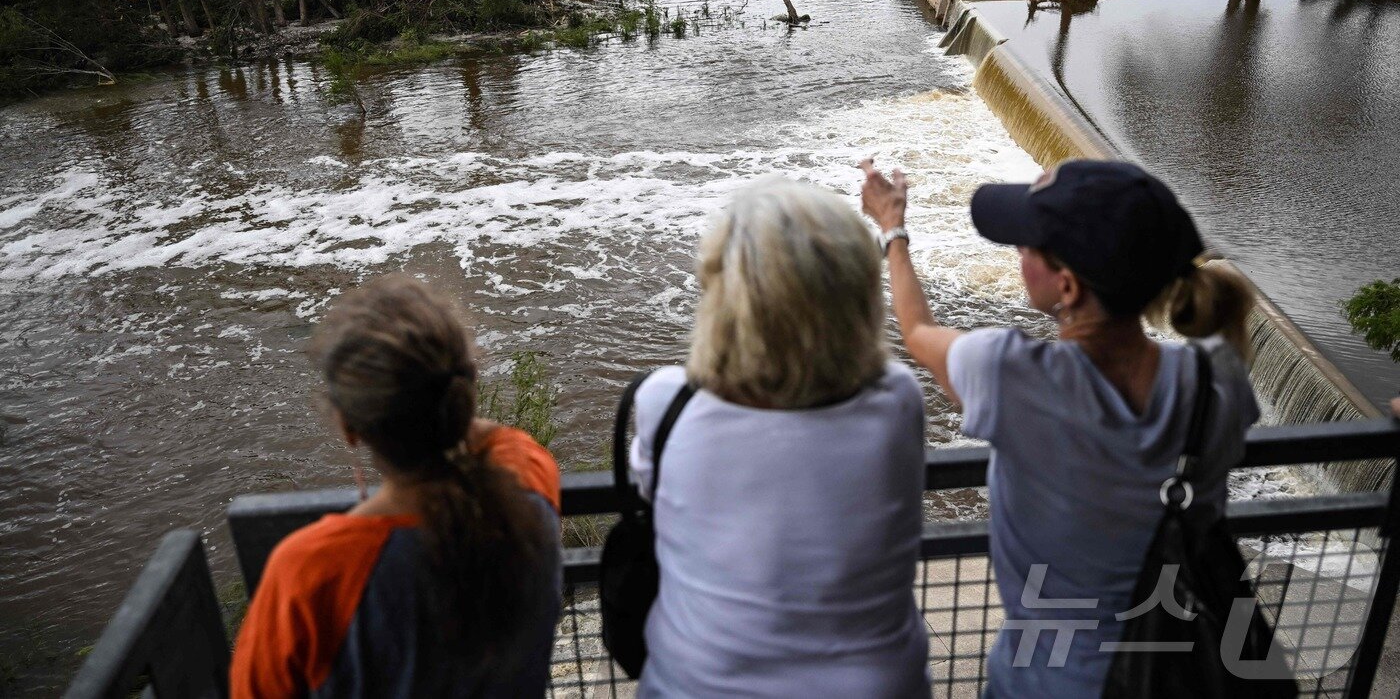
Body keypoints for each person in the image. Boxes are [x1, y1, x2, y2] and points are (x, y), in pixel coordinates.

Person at [860, 158, 1259, 698]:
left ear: (1067, 286)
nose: (1018, 254)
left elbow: (916, 330)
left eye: (1027, 246)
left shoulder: (1010, 374)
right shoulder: (1218, 380)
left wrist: (893, 227)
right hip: (1187, 675)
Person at [629, 177, 931, 698]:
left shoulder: (666, 403)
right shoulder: (897, 400)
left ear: (725, 299)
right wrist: (891, 228)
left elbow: (653, 495)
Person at [230, 275, 562, 698]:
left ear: (348, 427)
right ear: (464, 389)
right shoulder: (529, 484)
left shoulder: (311, 574)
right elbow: (494, 439)